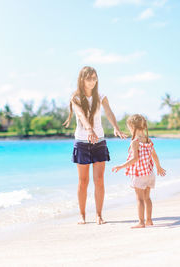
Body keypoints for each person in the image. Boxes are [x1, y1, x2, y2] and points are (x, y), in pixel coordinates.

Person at [64, 66, 127, 225]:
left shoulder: (101, 96)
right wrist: (89, 129)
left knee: (99, 180)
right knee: (83, 181)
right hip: (82, 142)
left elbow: (109, 112)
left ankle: (99, 215)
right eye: (88, 78)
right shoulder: (76, 97)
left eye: (94, 78)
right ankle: (82, 215)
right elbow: (80, 114)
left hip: (99, 142)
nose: (92, 81)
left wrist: (116, 127)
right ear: (82, 80)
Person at [112, 114, 166, 228]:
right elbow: (154, 155)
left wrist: (121, 166)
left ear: (132, 127)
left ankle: (141, 222)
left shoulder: (135, 142)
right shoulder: (148, 140)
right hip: (149, 173)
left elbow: (135, 159)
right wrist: (158, 167)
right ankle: (149, 220)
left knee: (140, 199)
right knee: (147, 198)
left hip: (139, 175)